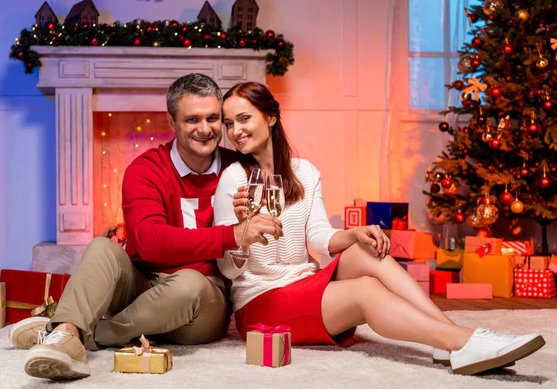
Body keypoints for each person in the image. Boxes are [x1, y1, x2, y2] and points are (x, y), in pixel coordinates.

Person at [213, 81, 545, 376]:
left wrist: (355, 234)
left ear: (270, 118)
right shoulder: (234, 179)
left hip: (301, 282)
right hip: (261, 303)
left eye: (244, 118)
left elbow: (319, 237)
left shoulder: (305, 172)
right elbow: (227, 269)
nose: (235, 130)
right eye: (229, 123)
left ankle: (449, 337)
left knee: (368, 249)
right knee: (366, 290)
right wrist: (242, 231)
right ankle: (465, 340)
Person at [9, 73, 283, 381]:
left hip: (203, 303)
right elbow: (150, 241)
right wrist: (230, 235)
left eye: (213, 118)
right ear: (172, 122)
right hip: (142, 287)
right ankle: (67, 333)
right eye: (192, 119)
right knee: (102, 246)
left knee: (190, 282)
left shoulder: (239, 170)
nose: (205, 129)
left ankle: (76, 333)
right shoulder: (145, 169)